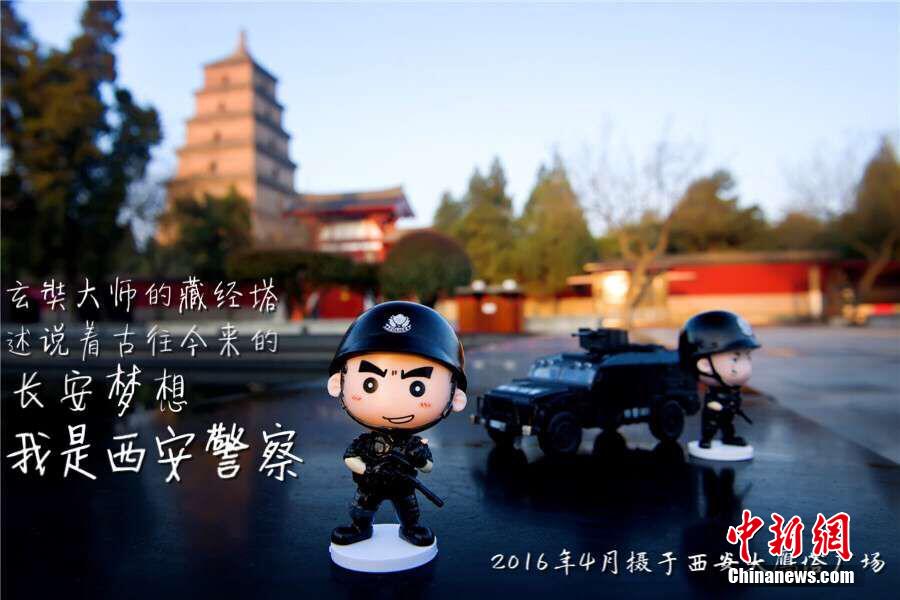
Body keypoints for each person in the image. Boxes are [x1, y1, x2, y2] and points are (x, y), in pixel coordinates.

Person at [327, 301, 467, 547]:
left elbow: (427, 467)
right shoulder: (367, 442)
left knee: (409, 508)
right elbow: (350, 458)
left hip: (403, 485)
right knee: (362, 506)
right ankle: (360, 527)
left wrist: (419, 458)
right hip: (371, 484)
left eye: (417, 388)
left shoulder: (413, 444)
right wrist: (369, 470)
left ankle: (410, 528)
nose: (393, 399)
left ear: (455, 397)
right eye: (370, 384)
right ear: (338, 384)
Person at [678, 310, 760, 449]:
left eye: (748, 357)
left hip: (728, 410)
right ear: (704, 365)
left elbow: (735, 398)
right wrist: (719, 406)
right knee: (711, 424)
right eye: (735, 359)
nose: (746, 367)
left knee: (728, 425)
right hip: (716, 409)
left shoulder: (733, 389)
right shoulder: (713, 393)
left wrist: (734, 405)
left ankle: (729, 437)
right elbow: (712, 403)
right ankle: (707, 439)